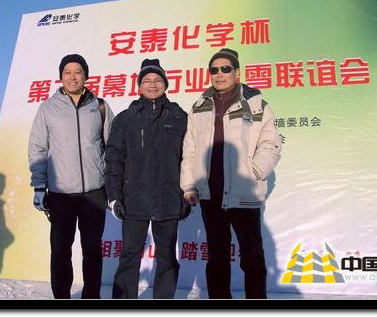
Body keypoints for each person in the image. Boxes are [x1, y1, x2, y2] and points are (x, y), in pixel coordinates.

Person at [180, 48, 283, 299]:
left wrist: (253, 171)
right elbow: (190, 149)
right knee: (217, 257)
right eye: (214, 69)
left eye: (225, 68)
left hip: (243, 192)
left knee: (252, 257)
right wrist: (189, 185)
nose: (219, 74)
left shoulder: (256, 103)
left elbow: (271, 144)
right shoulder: (199, 106)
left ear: (237, 73)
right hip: (210, 193)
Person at [29, 53, 114, 299]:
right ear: (61, 77)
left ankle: (91, 297)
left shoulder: (99, 106)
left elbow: (112, 148)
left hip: (94, 193)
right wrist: (39, 186)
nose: (72, 77)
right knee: (60, 251)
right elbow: (38, 149)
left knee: (93, 250)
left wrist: (112, 187)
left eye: (78, 72)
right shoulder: (48, 108)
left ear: (86, 76)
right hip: (60, 194)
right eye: (67, 72)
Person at [105, 59, 189, 299]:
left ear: (166, 84)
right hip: (134, 200)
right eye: (147, 81)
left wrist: (188, 193)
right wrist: (114, 196)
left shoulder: (179, 117)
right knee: (129, 255)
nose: (152, 85)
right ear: (139, 86)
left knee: (167, 257)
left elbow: (189, 159)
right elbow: (114, 160)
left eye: (157, 80)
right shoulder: (125, 119)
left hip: (168, 199)